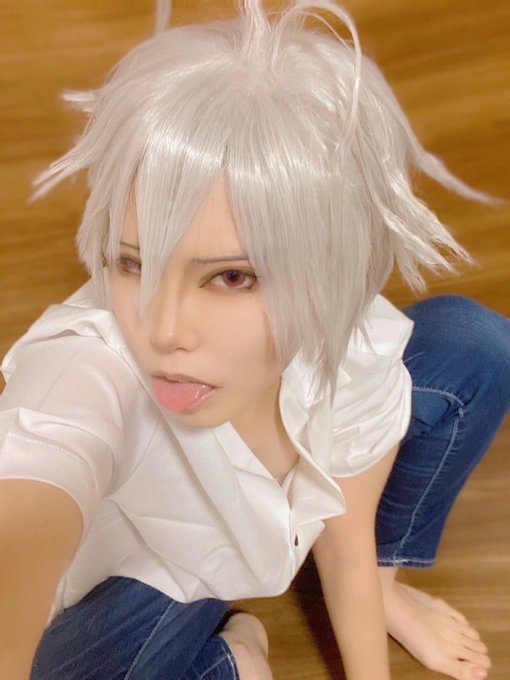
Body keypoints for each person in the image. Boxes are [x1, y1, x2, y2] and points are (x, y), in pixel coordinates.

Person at [0, 1, 508, 679]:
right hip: (146, 590)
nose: (161, 330)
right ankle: (235, 651)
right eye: (132, 263)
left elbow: (347, 548)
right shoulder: (87, 366)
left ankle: (392, 590)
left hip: (261, 533)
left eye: (232, 276)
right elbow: (43, 459)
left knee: (475, 346)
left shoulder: (351, 350)